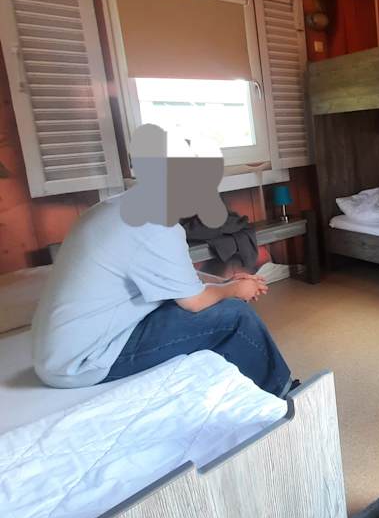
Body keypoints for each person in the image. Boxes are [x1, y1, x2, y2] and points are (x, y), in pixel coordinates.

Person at [32, 126, 292, 396]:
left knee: (209, 303)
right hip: (83, 360)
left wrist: (223, 282)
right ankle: (283, 393)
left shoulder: (115, 207)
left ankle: (235, 385)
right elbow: (194, 302)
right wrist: (234, 290)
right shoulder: (157, 226)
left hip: (57, 354)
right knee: (234, 315)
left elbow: (174, 279)